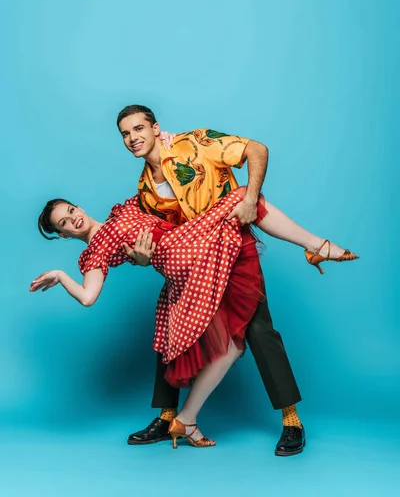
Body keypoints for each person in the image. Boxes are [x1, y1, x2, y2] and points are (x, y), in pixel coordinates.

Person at [116, 105, 358, 455]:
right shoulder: (145, 190)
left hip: (232, 248)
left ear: (155, 128)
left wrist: (248, 199)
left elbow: (256, 150)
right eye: (125, 133)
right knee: (168, 321)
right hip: (197, 265)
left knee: (259, 329)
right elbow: (162, 241)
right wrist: (142, 258)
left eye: (138, 128)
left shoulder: (195, 142)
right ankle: (168, 417)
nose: (133, 138)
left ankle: (291, 420)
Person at [31, 187, 282, 448]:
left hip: (192, 242)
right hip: (189, 260)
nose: (74, 220)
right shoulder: (96, 250)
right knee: (240, 197)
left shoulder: (123, 210)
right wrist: (61, 275)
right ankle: (318, 247)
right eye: (65, 223)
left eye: (71, 211)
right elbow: (87, 296)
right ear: (63, 234)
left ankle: (186, 421)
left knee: (243, 198)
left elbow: (160, 188)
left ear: (79, 207)